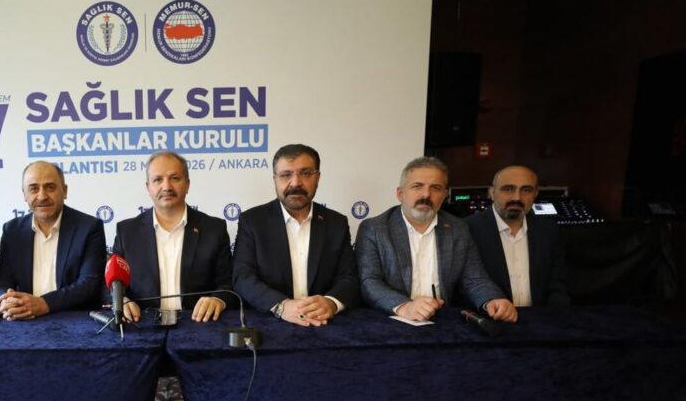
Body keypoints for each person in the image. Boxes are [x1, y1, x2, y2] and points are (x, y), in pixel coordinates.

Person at [354, 156, 517, 322]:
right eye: (417, 186)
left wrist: (492, 299)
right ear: (400, 194)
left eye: (435, 188)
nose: (426, 194)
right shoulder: (374, 229)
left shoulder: (458, 228)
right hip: (390, 319)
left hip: (442, 320)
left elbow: (475, 278)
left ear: (444, 195)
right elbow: (369, 281)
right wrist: (404, 306)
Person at [232, 143, 359, 326]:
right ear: (275, 180)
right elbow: (242, 277)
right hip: (269, 321)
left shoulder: (336, 223)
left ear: (317, 178)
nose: (296, 183)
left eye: (305, 173)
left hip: (325, 323)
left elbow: (349, 276)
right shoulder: (252, 221)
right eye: (286, 175)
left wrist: (331, 302)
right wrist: (281, 306)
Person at [112, 150, 234, 323]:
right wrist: (121, 300)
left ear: (187, 184)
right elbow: (112, 283)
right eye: (158, 180)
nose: (167, 187)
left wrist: (218, 299)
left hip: (198, 323)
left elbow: (228, 283)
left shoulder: (214, 229)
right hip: (142, 324)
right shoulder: (127, 232)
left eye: (175, 178)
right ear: (148, 187)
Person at [0, 161, 106, 319]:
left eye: (50, 187)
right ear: (24, 194)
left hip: (72, 318)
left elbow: (89, 284)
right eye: (34, 189)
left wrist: (44, 303)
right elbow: (1, 282)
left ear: (64, 191)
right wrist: (4, 302)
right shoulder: (12, 230)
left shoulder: (89, 227)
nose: (42, 196)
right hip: (24, 319)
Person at [466, 165, 571, 306]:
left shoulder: (548, 231)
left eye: (526, 190)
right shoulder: (468, 230)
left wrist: (554, 316)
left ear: (535, 194)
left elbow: (557, 285)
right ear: (492, 192)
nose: (517, 197)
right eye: (508, 189)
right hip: (488, 316)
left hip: (540, 317)